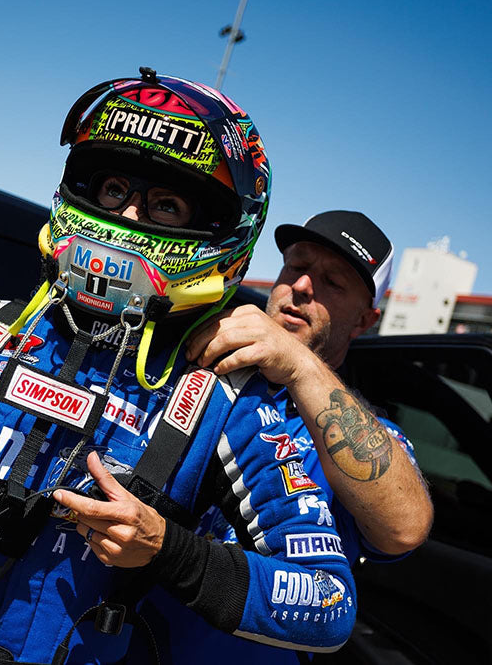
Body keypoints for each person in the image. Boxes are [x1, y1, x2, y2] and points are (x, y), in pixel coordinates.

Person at [0, 69, 357, 664]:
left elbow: (329, 604)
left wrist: (168, 550)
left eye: (166, 204)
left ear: (221, 227)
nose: (127, 217)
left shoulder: (232, 394)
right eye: (111, 191)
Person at [144, 211, 433, 663]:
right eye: (295, 267)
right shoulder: (191, 362)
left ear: (364, 321)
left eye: (332, 282)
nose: (301, 286)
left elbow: (404, 527)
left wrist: (296, 364)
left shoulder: (366, 435)